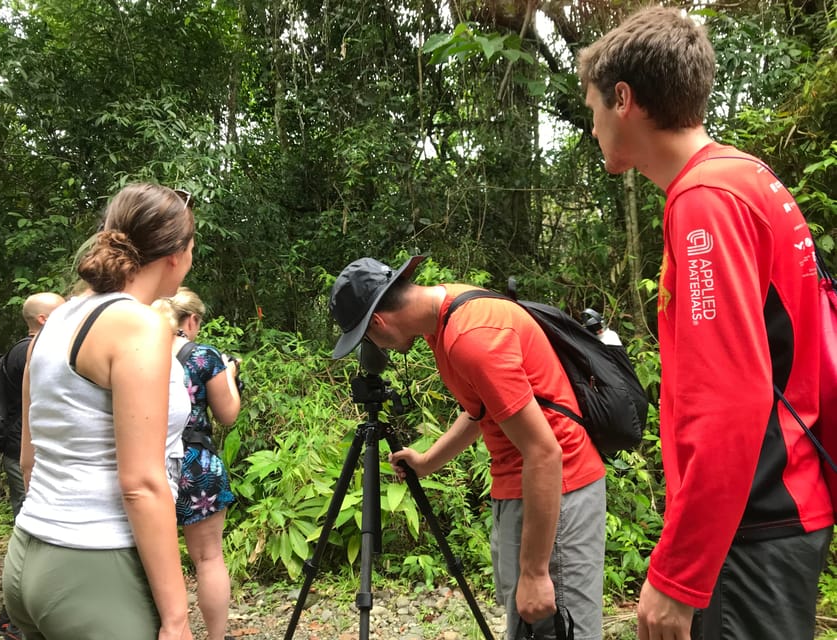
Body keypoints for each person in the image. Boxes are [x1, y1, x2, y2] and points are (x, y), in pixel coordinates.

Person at [578, 7, 833, 640]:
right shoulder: (746, 178)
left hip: (753, 524)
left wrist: (679, 574)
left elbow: (729, 398)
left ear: (625, 99)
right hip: (781, 506)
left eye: (592, 109)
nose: (591, 126)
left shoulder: (705, 204)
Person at [329, 256, 607, 640]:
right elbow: (481, 412)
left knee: (558, 629)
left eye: (367, 338)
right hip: (522, 488)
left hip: (557, 492)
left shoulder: (471, 337)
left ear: (378, 322)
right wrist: (427, 462)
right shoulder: (445, 317)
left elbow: (545, 453)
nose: (377, 348)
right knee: (527, 627)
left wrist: (535, 571)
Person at [1, 183, 197, 640]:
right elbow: (142, 484)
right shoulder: (139, 325)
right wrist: (177, 618)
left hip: (30, 551)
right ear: (176, 254)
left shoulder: (58, 320)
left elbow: (30, 459)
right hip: (94, 566)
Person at [152, 287, 241, 640]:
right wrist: (230, 375)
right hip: (195, 463)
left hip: (147, 461)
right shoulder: (203, 356)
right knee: (208, 558)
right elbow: (227, 414)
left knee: (151, 558)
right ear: (190, 320)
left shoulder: (138, 347)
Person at [0, 292, 65, 639]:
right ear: (43, 319)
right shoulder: (30, 351)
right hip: (26, 454)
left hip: (35, 452)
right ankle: (12, 619)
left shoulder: (35, 348)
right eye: (63, 309)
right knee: (33, 531)